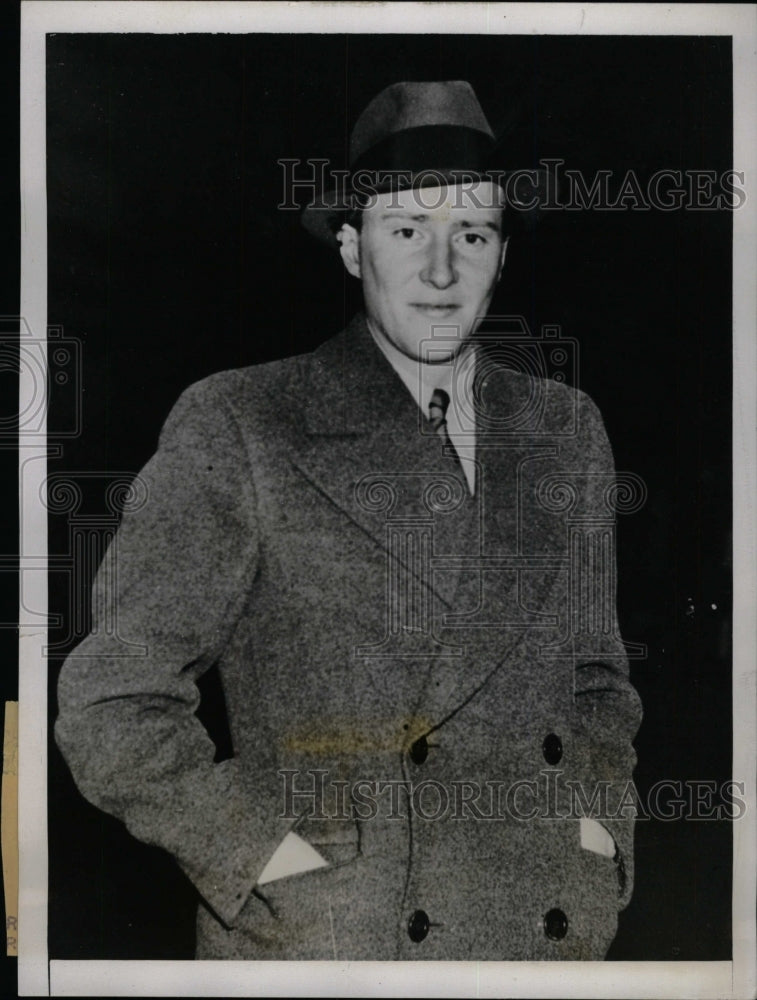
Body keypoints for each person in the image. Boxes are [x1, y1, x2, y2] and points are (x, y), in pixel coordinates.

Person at [55, 80, 643, 961]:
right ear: (350, 247)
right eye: (406, 232)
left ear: (501, 257)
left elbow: (596, 682)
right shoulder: (243, 422)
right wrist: (261, 858)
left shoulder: (564, 428)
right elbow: (111, 701)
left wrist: (599, 840)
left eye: (470, 234)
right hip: (337, 943)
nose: (440, 272)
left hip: (544, 939)